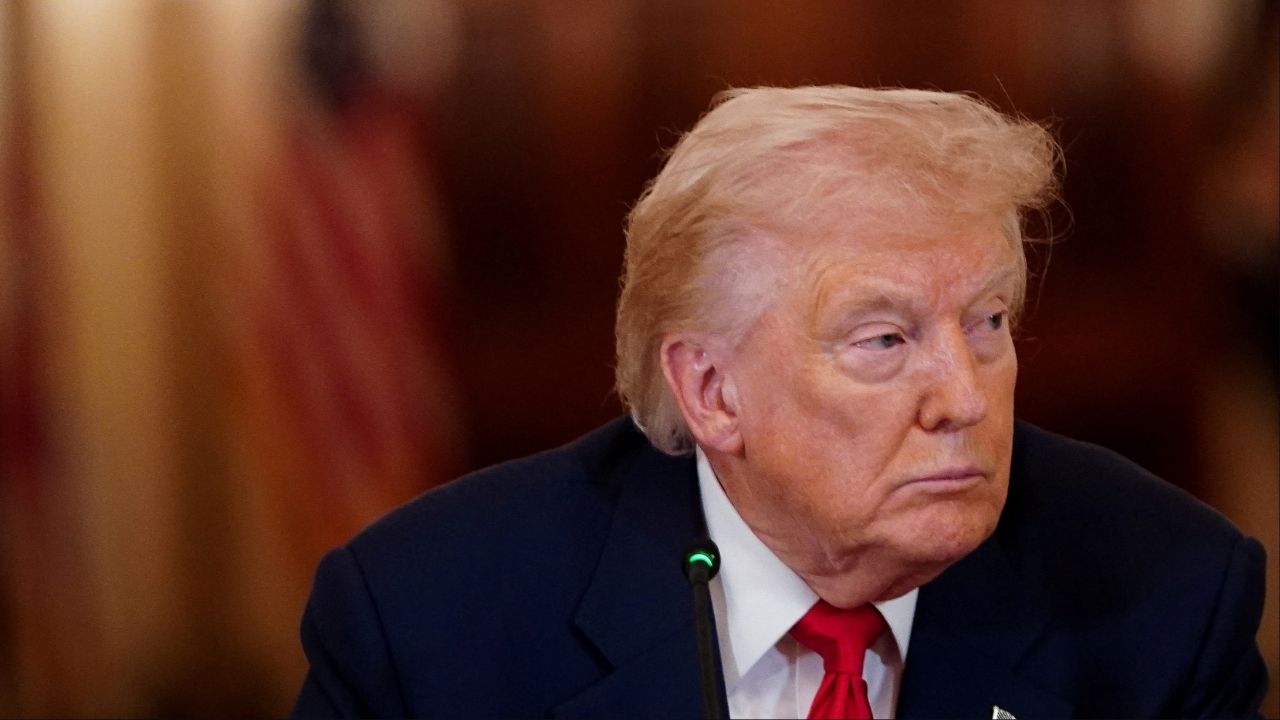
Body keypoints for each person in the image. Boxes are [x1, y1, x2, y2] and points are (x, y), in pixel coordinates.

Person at [291, 86, 1268, 719]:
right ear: (711, 392)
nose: (964, 397)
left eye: (987, 324)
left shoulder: (1165, 597)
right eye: (883, 340)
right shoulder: (424, 623)